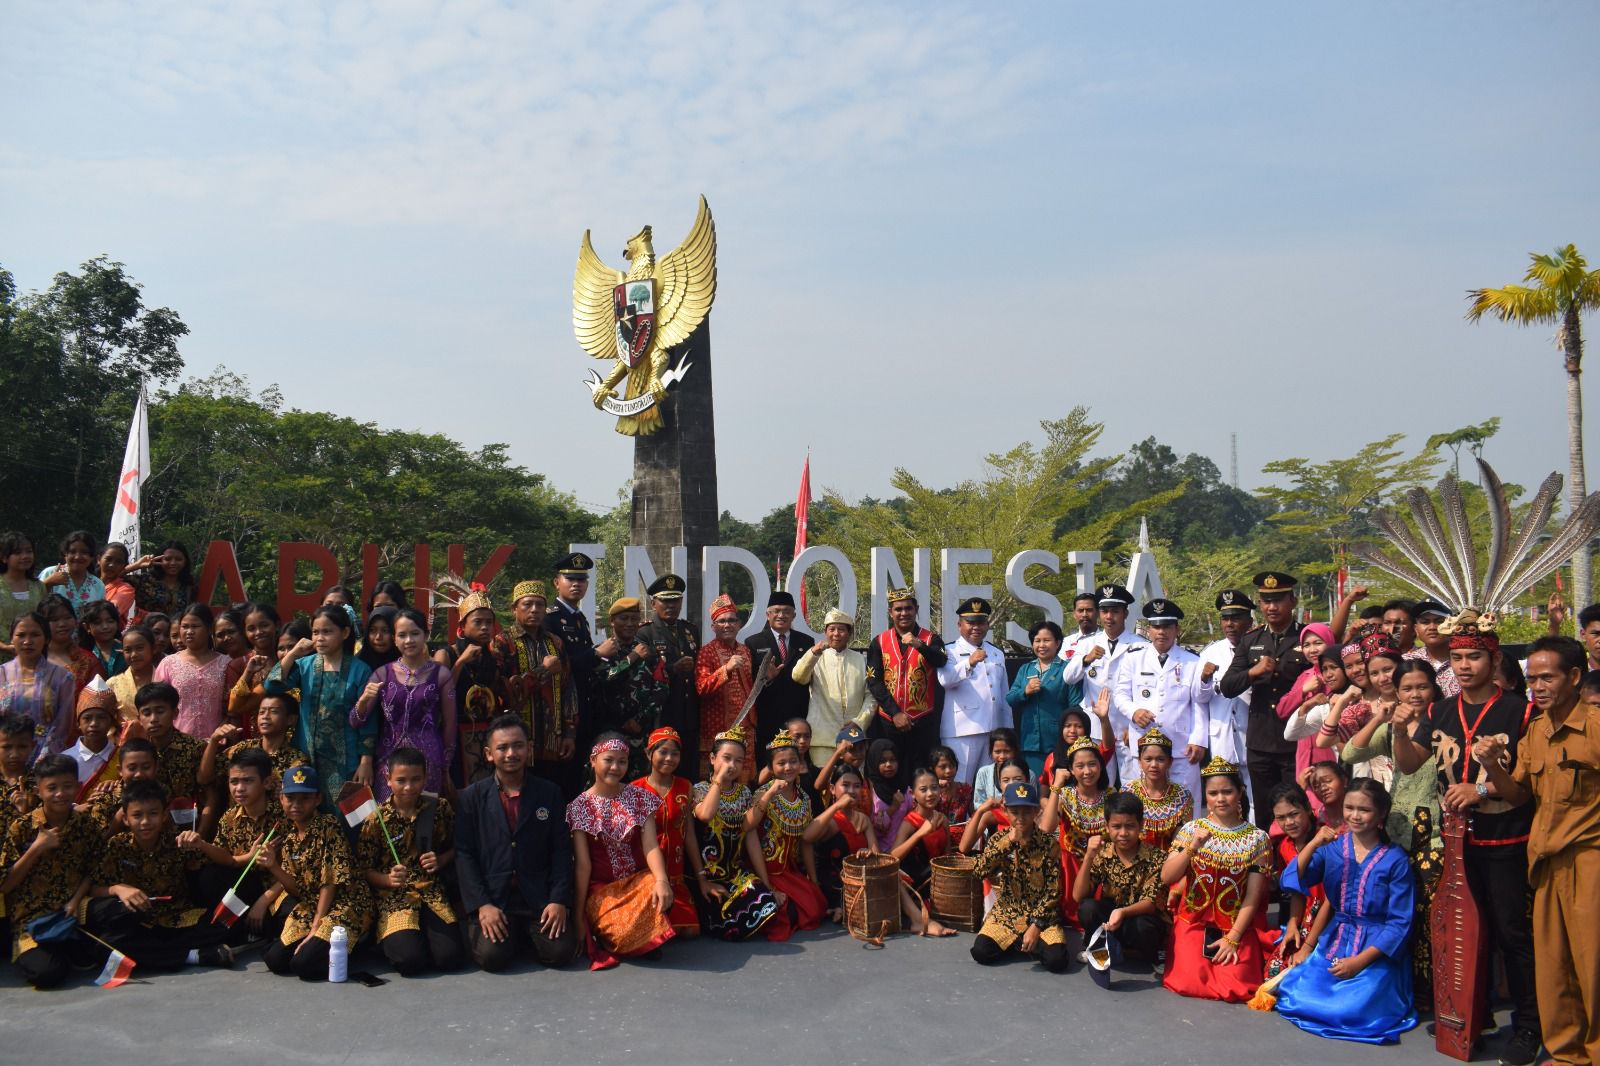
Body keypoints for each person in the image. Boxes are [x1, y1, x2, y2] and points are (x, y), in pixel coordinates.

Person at [1392, 609, 1541, 1064]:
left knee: (1513, 935)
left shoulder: (1523, 710)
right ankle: (1471, 1019)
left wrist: (1479, 788)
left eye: (1474, 656)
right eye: (1457, 657)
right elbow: (1412, 762)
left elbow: (1530, 782)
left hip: (1505, 837)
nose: (1463, 666)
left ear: (1493, 660)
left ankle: (1529, 1026)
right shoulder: (1439, 709)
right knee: (1462, 932)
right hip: (1452, 840)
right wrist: (1398, 729)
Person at [1472, 635, 1599, 1066]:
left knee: (1593, 967)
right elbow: (1518, 793)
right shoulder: (1536, 732)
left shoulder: (1597, 727)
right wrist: (1490, 766)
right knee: (1554, 966)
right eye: (1532, 679)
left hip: (1590, 861)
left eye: (1548, 677)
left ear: (1575, 677)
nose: (1538, 687)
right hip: (1544, 863)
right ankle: (1566, 1055)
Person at [1274, 780, 1418, 1044]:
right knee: (1298, 995)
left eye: (1364, 810)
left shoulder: (1395, 859)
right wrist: (1315, 842)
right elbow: (1292, 879)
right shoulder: (1332, 850)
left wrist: (1358, 962)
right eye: (1349, 807)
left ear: (1381, 814)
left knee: (1349, 1009)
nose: (1354, 815)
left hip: (1376, 950)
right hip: (1336, 941)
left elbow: (1399, 923)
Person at [454, 713, 578, 970]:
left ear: (529, 748)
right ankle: (503, 934)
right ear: (489, 753)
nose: (511, 753)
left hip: (537, 898)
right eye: (502, 747)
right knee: (492, 957)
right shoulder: (471, 797)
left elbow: (562, 850)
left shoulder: (550, 793)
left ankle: (524, 935)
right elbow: (464, 854)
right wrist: (482, 904)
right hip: (494, 896)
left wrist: (558, 900)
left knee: (561, 952)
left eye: (518, 746)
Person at [87, 778, 235, 972]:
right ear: (125, 819)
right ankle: (192, 956)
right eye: (137, 815)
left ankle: (159, 953)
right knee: (107, 942)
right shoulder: (117, 846)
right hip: (137, 922)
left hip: (177, 917)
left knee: (222, 925)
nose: (146, 822)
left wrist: (202, 844)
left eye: (153, 814)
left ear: (164, 815)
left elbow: (227, 860)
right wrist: (118, 889)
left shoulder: (177, 841)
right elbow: (92, 888)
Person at [1160, 756, 1272, 1003]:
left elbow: (1253, 897)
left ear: (1240, 792)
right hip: (1193, 923)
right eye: (1213, 793)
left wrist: (1233, 938)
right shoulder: (1191, 830)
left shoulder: (1257, 838)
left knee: (1239, 988)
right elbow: (1167, 876)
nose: (1220, 799)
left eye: (1227, 792)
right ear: (1206, 796)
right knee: (1188, 982)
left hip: (1235, 927)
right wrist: (1193, 847)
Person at [567, 733, 675, 970]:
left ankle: (645, 939)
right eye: (609, 760)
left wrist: (662, 880)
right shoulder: (579, 807)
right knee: (621, 931)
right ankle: (639, 939)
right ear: (593, 760)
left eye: (622, 761)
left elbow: (651, 846)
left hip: (638, 882)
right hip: (603, 890)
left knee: (657, 887)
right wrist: (578, 916)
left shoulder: (640, 797)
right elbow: (583, 865)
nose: (615, 767)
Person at [257, 764, 373, 980]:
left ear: (317, 799)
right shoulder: (290, 838)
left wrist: (315, 927)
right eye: (290, 798)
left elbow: (329, 883)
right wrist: (273, 866)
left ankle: (358, 942)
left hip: (344, 904)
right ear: (281, 799)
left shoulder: (328, 826)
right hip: (311, 905)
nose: (296, 805)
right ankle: (318, 945)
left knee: (304, 965)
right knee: (275, 961)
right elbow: (296, 888)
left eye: (304, 799)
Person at [358, 746, 463, 976]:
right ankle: (386, 938)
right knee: (410, 961)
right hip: (394, 898)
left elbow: (460, 847)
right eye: (401, 780)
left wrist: (441, 859)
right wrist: (386, 879)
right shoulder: (376, 819)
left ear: (425, 778)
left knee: (450, 958)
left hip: (431, 892)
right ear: (388, 779)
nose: (408, 787)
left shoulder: (439, 808)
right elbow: (364, 869)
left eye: (416, 779)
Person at [0, 753, 102, 987]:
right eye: (52, 787)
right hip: (33, 921)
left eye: (67, 786)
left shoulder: (86, 824)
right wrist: (36, 848)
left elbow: (94, 869)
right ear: (38, 791)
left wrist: (76, 901)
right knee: (47, 974)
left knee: (118, 915)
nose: (60, 794)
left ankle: (71, 947)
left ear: (77, 787)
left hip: (72, 912)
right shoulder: (22, 828)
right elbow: (5, 884)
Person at [1219, 572, 1309, 828]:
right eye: (1266, 601)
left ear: (1292, 601)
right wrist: (1252, 672)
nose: (1272, 607)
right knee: (1265, 809)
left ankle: (1296, 862)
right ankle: (1268, 862)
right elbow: (1227, 686)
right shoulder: (1251, 640)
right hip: (1260, 741)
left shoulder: (1305, 637)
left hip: (1295, 741)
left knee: (1296, 809)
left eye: (1278, 600)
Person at [271, 604, 376, 808]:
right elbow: (273, 685)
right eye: (316, 632)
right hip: (308, 757)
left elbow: (368, 718)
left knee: (356, 818)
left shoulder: (360, 670)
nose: (320, 638)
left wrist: (366, 761)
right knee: (307, 813)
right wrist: (292, 653)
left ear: (345, 633)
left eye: (327, 632)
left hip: (349, 760)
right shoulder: (305, 665)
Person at [688, 725, 781, 940]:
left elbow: (750, 837)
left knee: (766, 901)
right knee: (729, 918)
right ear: (712, 758)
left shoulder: (744, 793)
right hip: (705, 876)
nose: (731, 765)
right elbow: (705, 815)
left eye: (738, 761)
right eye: (726, 758)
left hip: (735, 875)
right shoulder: (699, 789)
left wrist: (765, 882)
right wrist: (718, 781)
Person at [354, 607, 456, 799]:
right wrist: (363, 700)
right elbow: (355, 721)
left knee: (426, 821)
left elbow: (450, 725)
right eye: (402, 635)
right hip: (389, 763)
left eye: (415, 633)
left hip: (429, 764)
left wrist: (446, 767)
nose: (409, 640)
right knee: (389, 820)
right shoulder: (382, 674)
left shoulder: (441, 675)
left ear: (425, 635)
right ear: (395, 639)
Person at [1113, 599, 1210, 796]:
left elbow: (1198, 703)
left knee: (1185, 800)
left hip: (1181, 746)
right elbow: (1120, 695)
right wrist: (1134, 712)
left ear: (1177, 629)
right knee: (1140, 802)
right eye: (1156, 627)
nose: (1161, 632)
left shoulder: (1192, 661)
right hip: (1143, 744)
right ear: (1149, 630)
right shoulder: (1133, 658)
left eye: (1166, 627)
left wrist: (1199, 739)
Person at [493, 579, 577, 798]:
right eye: (527, 604)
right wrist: (542, 671)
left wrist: (570, 732)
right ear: (514, 609)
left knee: (551, 798)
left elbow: (569, 688)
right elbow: (504, 694)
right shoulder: (503, 643)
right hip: (517, 742)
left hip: (552, 741)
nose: (535, 610)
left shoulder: (555, 642)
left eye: (540, 605)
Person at [970, 781, 1067, 971]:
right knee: (981, 952)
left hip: (1043, 915)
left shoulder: (1049, 844)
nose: (1020, 818)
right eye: (1015, 812)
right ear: (1006, 812)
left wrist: (1036, 925)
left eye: (1026, 812)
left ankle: (1025, 940)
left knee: (1057, 961)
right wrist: (1006, 844)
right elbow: (979, 871)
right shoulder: (998, 840)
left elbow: (1054, 892)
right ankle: (1021, 942)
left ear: (1036, 812)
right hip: (1008, 912)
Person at [183, 746, 283, 927]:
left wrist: (263, 902)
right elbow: (228, 860)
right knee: (209, 876)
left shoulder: (284, 817)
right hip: (245, 886)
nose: (239, 788)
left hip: (277, 889)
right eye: (234, 781)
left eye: (248, 781)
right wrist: (202, 844)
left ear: (267, 782)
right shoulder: (229, 817)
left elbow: (297, 871)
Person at [1074, 791, 1168, 962]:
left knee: (1144, 926)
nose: (1123, 833)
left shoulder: (1157, 857)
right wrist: (1088, 857)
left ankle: (1139, 954)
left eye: (1130, 826)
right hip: (1111, 920)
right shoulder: (1102, 853)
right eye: (1117, 827)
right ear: (1107, 826)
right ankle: (1102, 946)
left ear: (1141, 825)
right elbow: (1078, 896)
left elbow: (1151, 903)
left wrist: (1123, 912)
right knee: (1087, 908)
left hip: (1138, 918)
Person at [753, 727, 827, 939]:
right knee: (782, 917)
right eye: (781, 763)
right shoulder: (763, 794)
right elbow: (749, 830)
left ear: (801, 763)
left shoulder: (803, 797)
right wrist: (767, 885)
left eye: (793, 761)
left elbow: (805, 843)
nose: (788, 767)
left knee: (816, 906)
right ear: (771, 767)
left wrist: (813, 880)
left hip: (788, 871)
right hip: (764, 871)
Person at [864, 587, 947, 774]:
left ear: (916, 609)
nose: (903, 613)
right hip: (888, 723)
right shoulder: (879, 642)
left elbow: (941, 660)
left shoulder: (931, 638)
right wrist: (895, 713)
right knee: (889, 773)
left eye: (908, 608)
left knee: (923, 775)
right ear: (890, 612)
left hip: (923, 722)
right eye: (898, 609)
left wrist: (919, 645)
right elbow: (874, 682)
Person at [1061, 584, 1150, 755]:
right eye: (1104, 611)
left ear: (1125, 613)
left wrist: (1134, 727)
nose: (1109, 617)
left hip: (1128, 726)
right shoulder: (1087, 643)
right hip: (1095, 729)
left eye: (1115, 611)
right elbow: (1068, 677)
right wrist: (1086, 659)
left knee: (1130, 781)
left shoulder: (1141, 646)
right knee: (1099, 779)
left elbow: (1145, 689)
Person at [630, 725, 701, 937]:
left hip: (676, 877)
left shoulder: (685, 786)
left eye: (675, 753)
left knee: (690, 931)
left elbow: (689, 834)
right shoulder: (635, 789)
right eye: (663, 752)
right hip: (647, 876)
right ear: (648, 753)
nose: (669, 758)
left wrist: (701, 875)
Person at [436, 580, 507, 786]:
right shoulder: (446, 654)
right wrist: (460, 663)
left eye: (489, 622)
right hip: (453, 735)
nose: (485, 627)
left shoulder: (492, 658)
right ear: (462, 626)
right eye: (478, 622)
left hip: (484, 737)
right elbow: (436, 695)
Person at [937, 597, 1010, 788]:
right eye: (970, 622)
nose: (976, 627)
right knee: (961, 784)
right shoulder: (949, 651)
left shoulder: (996, 653)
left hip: (992, 729)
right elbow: (945, 680)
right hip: (962, 730)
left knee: (989, 785)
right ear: (959, 624)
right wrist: (969, 662)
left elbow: (1004, 695)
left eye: (981, 622)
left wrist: (1006, 729)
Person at [1040, 735, 1112, 928]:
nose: (1087, 771)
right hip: (1070, 867)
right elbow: (1046, 828)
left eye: (1092, 764)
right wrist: (1057, 785)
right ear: (1071, 769)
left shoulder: (1111, 796)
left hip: (1102, 867)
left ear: (1101, 766)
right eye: (1080, 766)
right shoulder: (1065, 795)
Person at [542, 552, 606, 765]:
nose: (576, 584)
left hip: (583, 705)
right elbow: (561, 665)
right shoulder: (549, 618)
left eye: (582, 579)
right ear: (556, 582)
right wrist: (596, 653)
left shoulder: (579, 619)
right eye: (570, 579)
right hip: (561, 707)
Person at [790, 607, 875, 766]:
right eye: (832, 629)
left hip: (854, 737)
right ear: (825, 632)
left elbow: (871, 695)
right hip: (822, 739)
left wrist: (859, 721)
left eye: (841, 630)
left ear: (849, 633)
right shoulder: (816, 657)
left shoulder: (860, 660)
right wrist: (813, 653)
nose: (836, 634)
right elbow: (798, 677)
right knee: (823, 785)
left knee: (852, 784)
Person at [596, 597, 668, 779]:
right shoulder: (603, 651)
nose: (629, 624)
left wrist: (640, 720)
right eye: (623, 618)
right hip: (610, 731)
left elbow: (662, 690)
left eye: (634, 619)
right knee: (610, 784)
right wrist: (632, 657)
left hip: (642, 734)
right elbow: (605, 679)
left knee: (640, 785)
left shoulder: (650, 653)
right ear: (612, 621)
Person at [637, 573, 702, 766]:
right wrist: (673, 669)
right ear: (653, 603)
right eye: (665, 601)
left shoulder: (690, 630)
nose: (670, 606)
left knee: (688, 763)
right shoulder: (645, 632)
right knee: (663, 764)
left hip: (689, 711)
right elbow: (645, 673)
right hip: (663, 711)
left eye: (675, 600)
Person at [1267, 782, 1328, 981]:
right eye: (1281, 818)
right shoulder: (1285, 846)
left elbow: (1332, 897)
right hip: (1304, 916)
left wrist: (1309, 944)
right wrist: (1292, 924)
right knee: (1273, 973)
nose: (1289, 822)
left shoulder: (1327, 839)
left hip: (1330, 917)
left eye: (1294, 814)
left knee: (1309, 973)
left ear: (1309, 809)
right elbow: (1297, 892)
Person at [804, 762, 879, 920]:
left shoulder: (863, 820)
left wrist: (868, 853)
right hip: (832, 879)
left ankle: (842, 908)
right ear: (832, 789)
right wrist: (836, 806)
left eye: (857, 786)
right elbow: (807, 837)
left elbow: (876, 854)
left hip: (856, 878)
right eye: (845, 785)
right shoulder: (830, 820)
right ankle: (839, 906)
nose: (851, 791)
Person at [1201, 590, 1255, 803]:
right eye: (1225, 618)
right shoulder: (1210, 653)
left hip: (1252, 733)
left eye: (1236, 618)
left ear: (1249, 621)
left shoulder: (1258, 648)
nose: (1230, 624)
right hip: (1221, 735)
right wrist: (1204, 680)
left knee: (1253, 798)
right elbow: (1199, 698)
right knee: (1222, 797)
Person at [201, 689, 310, 794]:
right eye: (261, 712)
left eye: (274, 712)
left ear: (291, 719)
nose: (265, 717)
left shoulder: (296, 760)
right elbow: (204, 778)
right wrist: (214, 741)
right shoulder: (243, 749)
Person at [890, 766, 957, 936]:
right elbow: (892, 858)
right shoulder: (909, 822)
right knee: (890, 874)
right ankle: (917, 920)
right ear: (912, 794)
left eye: (934, 788)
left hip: (937, 879)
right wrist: (920, 833)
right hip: (915, 880)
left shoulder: (941, 819)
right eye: (923, 789)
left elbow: (947, 856)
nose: (930, 794)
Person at [743, 591, 815, 751]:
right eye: (776, 611)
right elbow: (748, 680)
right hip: (767, 714)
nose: (781, 615)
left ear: (794, 615)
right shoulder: (753, 642)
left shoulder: (806, 641)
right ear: (767, 615)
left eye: (786, 611)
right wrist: (767, 679)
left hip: (798, 713)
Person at [0, 611, 76, 758]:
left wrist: (43, 759)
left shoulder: (62, 678)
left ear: (47, 639)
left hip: (45, 760)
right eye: (21, 635)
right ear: (11, 639)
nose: (27, 641)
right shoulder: (2, 674)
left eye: (35, 635)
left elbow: (62, 727)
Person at [154, 602, 234, 738]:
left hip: (217, 742)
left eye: (195, 626)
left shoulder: (226, 663)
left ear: (209, 629)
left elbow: (232, 706)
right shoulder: (168, 664)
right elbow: (157, 703)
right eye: (184, 627)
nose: (189, 632)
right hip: (177, 743)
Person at [695, 594, 753, 779]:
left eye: (731, 620)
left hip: (746, 729)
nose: (727, 625)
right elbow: (701, 687)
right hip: (718, 729)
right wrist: (725, 669)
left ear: (739, 624)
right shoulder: (707, 652)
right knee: (718, 781)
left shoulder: (745, 650)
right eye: (721, 621)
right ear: (713, 627)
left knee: (744, 782)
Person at [1009, 620, 1075, 780]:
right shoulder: (1026, 669)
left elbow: (1074, 706)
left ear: (1058, 642)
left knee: (1058, 786)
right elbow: (1010, 698)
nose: (1041, 645)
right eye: (1037, 641)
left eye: (1047, 640)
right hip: (1030, 741)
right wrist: (1025, 691)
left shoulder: (1067, 669)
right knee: (1034, 787)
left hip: (1057, 740)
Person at [136, 681, 204, 813]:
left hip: (191, 824)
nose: (154, 719)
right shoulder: (137, 751)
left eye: (160, 711)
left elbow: (210, 796)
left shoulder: (196, 748)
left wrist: (201, 832)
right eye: (146, 713)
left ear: (175, 713)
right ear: (139, 718)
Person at [1125, 727, 1194, 850]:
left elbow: (1182, 842)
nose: (1154, 765)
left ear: (1170, 762)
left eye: (1160, 759)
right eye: (1148, 759)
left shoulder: (1182, 796)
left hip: (1169, 862)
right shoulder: (1128, 792)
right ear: (1140, 761)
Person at [226, 602, 282, 739]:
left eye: (264, 625)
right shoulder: (239, 665)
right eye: (251, 628)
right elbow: (233, 711)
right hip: (252, 739)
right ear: (245, 633)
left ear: (277, 625)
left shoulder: (289, 659)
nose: (258, 632)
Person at [40, 594, 104, 698]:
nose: (62, 624)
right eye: (54, 620)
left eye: (67, 617)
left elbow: (99, 700)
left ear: (75, 620)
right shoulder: (32, 659)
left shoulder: (88, 661)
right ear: (42, 624)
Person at [0, 533, 47, 663]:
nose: (25, 556)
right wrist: (4, 647)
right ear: (4, 557)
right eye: (18, 552)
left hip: (32, 658)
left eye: (29, 551)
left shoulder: (38, 587)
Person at [37, 530, 104, 617]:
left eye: (84, 552)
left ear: (91, 557)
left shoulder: (97, 585)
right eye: (72, 552)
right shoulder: (49, 573)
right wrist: (47, 584)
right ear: (65, 554)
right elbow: (33, 603)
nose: (77, 557)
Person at [124, 541, 196, 618]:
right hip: (143, 628)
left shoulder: (189, 586)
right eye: (168, 559)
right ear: (160, 560)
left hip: (175, 629)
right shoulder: (144, 580)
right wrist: (137, 565)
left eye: (178, 559)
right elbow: (113, 577)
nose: (173, 563)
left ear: (185, 561)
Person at [1403, 598, 1458, 698]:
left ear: (1452, 625)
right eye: (1425, 622)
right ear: (1416, 629)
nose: (1432, 627)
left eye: (1439, 621)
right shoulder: (1405, 661)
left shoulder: (1466, 659)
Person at [863, 737, 908, 846]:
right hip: (880, 853)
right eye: (882, 761)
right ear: (874, 762)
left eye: (893, 760)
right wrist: (892, 808)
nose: (889, 765)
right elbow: (871, 830)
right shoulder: (868, 791)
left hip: (906, 850)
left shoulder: (905, 789)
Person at [928, 743, 974, 837]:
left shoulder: (965, 789)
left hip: (961, 838)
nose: (948, 771)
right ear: (932, 769)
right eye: (943, 767)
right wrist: (935, 787)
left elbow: (974, 814)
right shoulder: (927, 791)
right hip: (935, 838)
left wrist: (972, 821)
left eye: (952, 765)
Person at [971, 727, 1019, 807]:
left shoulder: (1028, 774)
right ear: (991, 752)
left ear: (1015, 751)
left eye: (1007, 751)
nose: (1002, 756)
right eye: (997, 752)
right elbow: (978, 805)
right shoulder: (983, 772)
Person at [78, 599, 124, 678]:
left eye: (110, 621)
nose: (105, 626)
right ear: (86, 627)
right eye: (98, 623)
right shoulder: (82, 656)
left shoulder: (126, 650)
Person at [98, 542, 137, 628]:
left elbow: (109, 612)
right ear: (99, 559)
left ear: (124, 566)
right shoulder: (88, 583)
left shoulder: (125, 590)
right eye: (108, 559)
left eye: (118, 562)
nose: (112, 565)